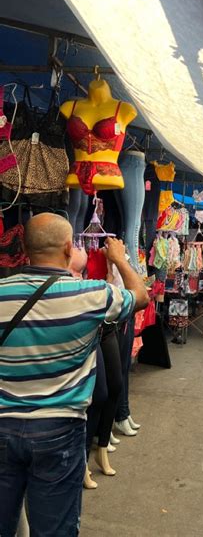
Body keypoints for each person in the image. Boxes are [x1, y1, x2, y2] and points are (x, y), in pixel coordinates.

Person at [0, 213, 149, 536]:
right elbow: (140, 296)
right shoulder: (90, 295)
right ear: (70, 248)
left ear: (24, 246)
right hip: (60, 430)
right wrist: (120, 260)